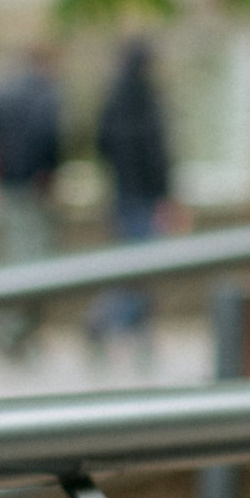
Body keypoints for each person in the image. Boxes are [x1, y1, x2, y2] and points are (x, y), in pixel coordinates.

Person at [0, 41, 66, 355]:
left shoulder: (1, 91)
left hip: (7, 183)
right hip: (34, 187)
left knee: (12, 255)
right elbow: (51, 139)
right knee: (34, 259)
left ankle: (7, 326)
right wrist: (49, 179)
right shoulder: (47, 94)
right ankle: (17, 329)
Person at [87, 30, 176, 365]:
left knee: (133, 269)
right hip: (145, 199)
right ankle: (106, 323)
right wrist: (165, 196)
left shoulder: (114, 99)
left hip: (122, 195)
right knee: (141, 271)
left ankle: (138, 338)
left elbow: (101, 144)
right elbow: (158, 155)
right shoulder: (147, 102)